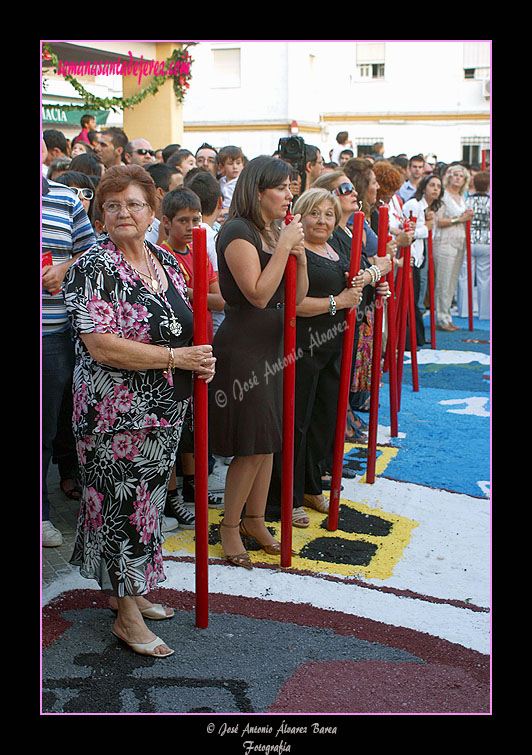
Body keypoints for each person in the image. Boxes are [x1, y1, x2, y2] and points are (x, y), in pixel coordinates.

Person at [63, 165, 216, 658]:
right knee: (122, 508)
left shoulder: (168, 263)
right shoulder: (92, 266)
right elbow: (102, 345)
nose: (123, 213)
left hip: (163, 409)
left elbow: (186, 324)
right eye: (112, 206)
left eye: (133, 203)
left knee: (143, 507)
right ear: (100, 215)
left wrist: (200, 361)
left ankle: (128, 592)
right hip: (113, 414)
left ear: (152, 210)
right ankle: (126, 616)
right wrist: (177, 358)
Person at [266, 188, 390, 526]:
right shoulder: (293, 249)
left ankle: (309, 485)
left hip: (335, 347)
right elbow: (294, 304)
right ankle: (283, 498)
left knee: (324, 421)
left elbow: (377, 265)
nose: (322, 220)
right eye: (315, 213)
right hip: (301, 347)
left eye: (329, 214)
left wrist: (372, 278)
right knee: (296, 423)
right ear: (301, 215)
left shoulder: (338, 246)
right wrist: (340, 301)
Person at [209, 155, 307, 568]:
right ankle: (229, 527)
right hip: (245, 348)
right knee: (250, 446)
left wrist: (297, 254)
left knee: (268, 442)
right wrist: (286, 245)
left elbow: (295, 297)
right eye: (282, 187)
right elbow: (258, 294)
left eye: (290, 187)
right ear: (258, 190)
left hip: (272, 346)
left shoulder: (270, 232)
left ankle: (254, 518)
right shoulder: (238, 231)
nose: (290, 194)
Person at [42, 151, 96, 547]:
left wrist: (64, 268)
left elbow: (91, 252)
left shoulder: (66, 200)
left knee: (45, 429)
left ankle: (42, 514)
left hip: (52, 335)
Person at [403, 174, 444, 345]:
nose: (435, 189)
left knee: (418, 295)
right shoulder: (413, 204)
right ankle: (413, 338)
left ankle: (417, 336)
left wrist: (428, 226)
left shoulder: (428, 208)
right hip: (411, 255)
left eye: (438, 186)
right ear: (424, 187)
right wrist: (426, 227)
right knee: (413, 298)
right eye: (432, 185)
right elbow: (406, 230)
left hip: (420, 256)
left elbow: (427, 233)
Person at [433, 164, 474, 330]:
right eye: (455, 174)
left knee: (452, 282)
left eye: (461, 176)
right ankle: (441, 318)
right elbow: (439, 221)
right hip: (444, 242)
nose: (458, 178)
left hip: (459, 242)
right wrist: (461, 219)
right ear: (449, 177)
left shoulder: (462, 197)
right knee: (443, 281)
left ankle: (446, 315)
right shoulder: (443, 197)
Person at [185, 169, 225, 334]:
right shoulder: (211, 238)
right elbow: (221, 295)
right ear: (220, 203)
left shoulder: (209, 237)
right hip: (210, 322)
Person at [457, 170, 490, 321]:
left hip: (468, 241)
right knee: (485, 278)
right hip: (486, 242)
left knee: (464, 277)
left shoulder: (466, 201)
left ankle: (464, 311)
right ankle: (484, 313)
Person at [144, 162, 183, 246]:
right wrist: (162, 241)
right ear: (160, 193)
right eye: (178, 190)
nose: (184, 194)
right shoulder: (144, 231)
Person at [217, 145, 245, 210]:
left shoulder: (242, 183)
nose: (235, 167)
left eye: (238, 163)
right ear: (222, 167)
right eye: (230, 163)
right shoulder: (220, 182)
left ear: (243, 165)